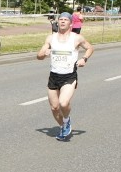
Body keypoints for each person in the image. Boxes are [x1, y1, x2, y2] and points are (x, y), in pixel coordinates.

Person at [36, 12, 94, 140]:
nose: (62, 21)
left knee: (63, 103)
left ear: (71, 23)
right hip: (54, 76)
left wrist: (84, 59)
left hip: (69, 76)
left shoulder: (77, 38)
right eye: (60, 19)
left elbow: (90, 48)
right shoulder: (51, 38)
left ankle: (67, 119)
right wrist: (44, 53)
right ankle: (64, 126)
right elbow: (39, 56)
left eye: (65, 20)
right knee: (54, 107)